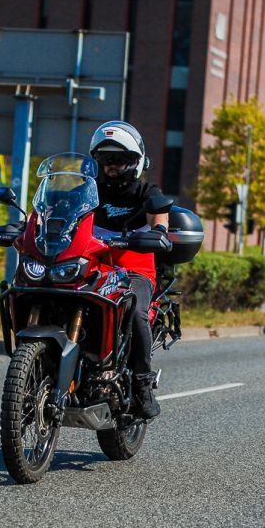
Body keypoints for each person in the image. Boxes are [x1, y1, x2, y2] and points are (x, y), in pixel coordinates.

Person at [89, 121, 169, 420]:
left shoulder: (148, 192)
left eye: (118, 159)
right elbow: (56, 212)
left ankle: (142, 385)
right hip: (93, 266)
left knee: (134, 310)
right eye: (105, 160)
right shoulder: (88, 190)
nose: (111, 166)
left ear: (134, 162)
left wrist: (158, 231)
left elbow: (160, 222)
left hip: (134, 271)